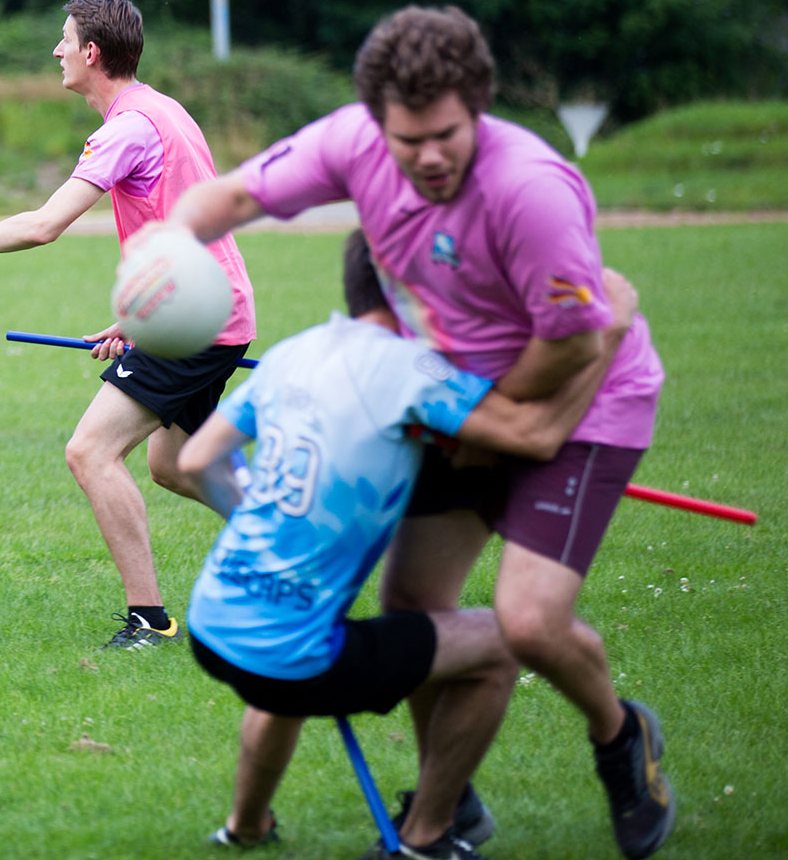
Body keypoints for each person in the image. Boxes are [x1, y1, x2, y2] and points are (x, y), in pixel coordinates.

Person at [155, 5, 672, 859]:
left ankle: (621, 740)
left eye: (446, 134)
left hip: (582, 394)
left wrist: (488, 423)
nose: (429, 156)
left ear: (478, 106)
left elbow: (577, 337)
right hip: (444, 393)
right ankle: (446, 806)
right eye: (408, 140)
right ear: (375, 125)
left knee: (530, 623)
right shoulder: (352, 141)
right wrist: (165, 254)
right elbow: (237, 194)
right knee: (416, 612)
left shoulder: (529, 189)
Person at [179, 233, 639, 860]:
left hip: (212, 623)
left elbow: (198, 458)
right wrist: (607, 334)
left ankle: (245, 826)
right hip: (294, 658)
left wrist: (264, 527)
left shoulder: (295, 350)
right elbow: (532, 436)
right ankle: (427, 837)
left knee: (279, 666)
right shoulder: (412, 372)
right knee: (504, 644)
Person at [0, 0, 256, 648]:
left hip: (197, 319)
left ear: (92, 53)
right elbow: (182, 225)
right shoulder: (163, 110)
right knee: (177, 466)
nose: (57, 51)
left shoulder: (126, 127)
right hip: (204, 312)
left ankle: (148, 620)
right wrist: (139, 318)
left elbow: (43, 226)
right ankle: (291, 539)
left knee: (90, 452)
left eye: (65, 40)